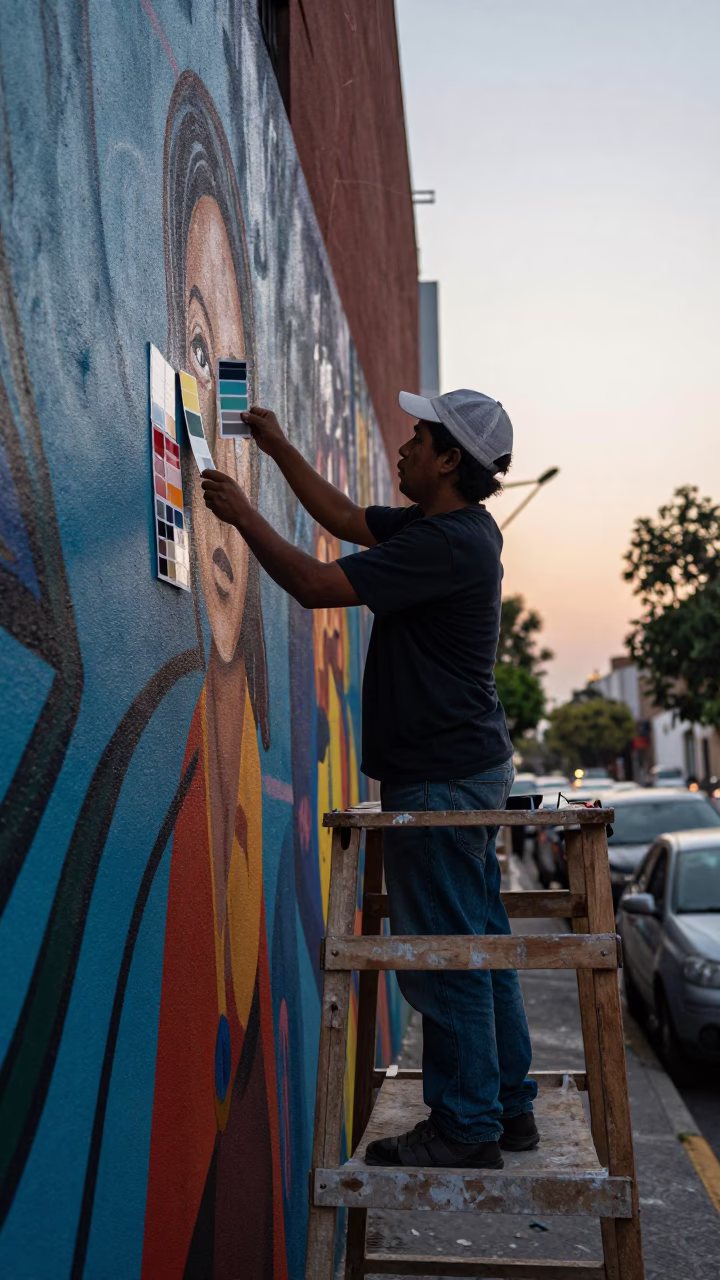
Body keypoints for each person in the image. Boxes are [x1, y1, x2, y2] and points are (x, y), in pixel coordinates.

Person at [201, 387, 539, 1171]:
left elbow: (321, 587)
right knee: (478, 940)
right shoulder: (446, 530)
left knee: (443, 949)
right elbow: (347, 521)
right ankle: (507, 1108)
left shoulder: (448, 542)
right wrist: (280, 445)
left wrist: (243, 516)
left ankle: (466, 1125)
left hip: (441, 777)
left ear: (451, 459)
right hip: (462, 768)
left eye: (421, 436)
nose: (406, 444)